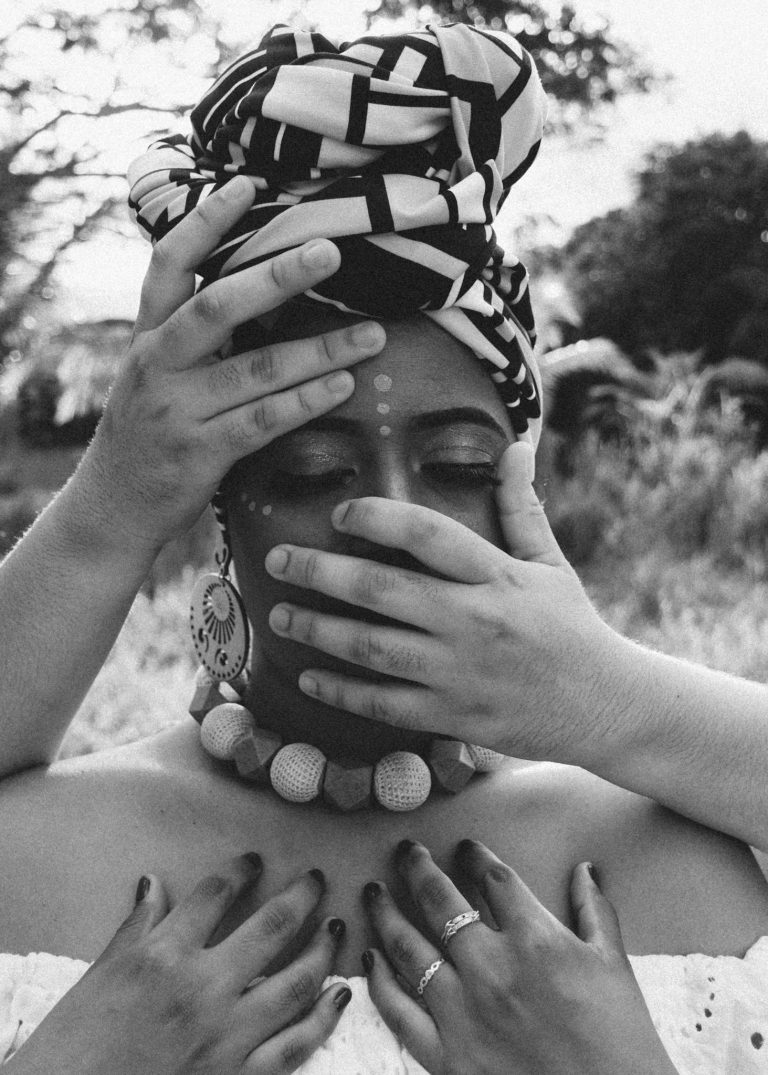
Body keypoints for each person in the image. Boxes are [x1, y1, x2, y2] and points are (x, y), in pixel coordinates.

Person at [1, 20, 768, 1075]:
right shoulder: (32, 857)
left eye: (459, 463)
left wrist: (605, 698)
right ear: (214, 502)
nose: (395, 523)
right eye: (312, 473)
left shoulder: (685, 864)